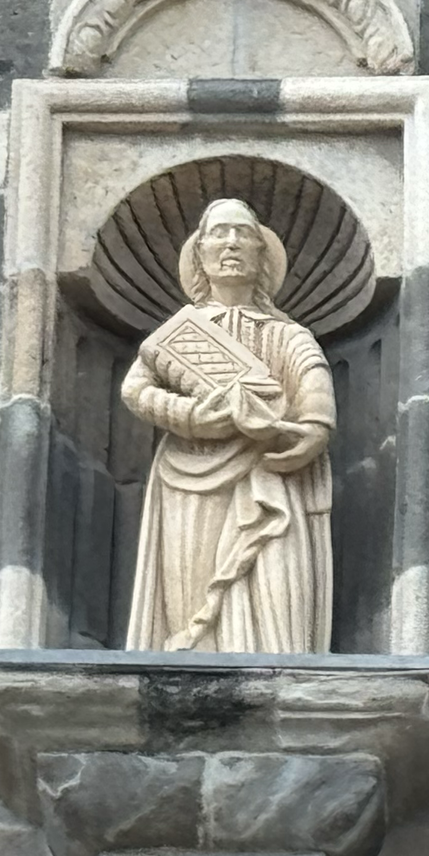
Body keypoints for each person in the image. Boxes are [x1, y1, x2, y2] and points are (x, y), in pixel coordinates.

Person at [121, 198, 336, 654]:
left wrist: (312, 431)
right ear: (200, 254)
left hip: (270, 472)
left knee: (277, 597)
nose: (231, 243)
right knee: (192, 609)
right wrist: (194, 418)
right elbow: (135, 390)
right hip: (190, 477)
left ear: (262, 255)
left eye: (243, 234)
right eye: (218, 233)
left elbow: (314, 390)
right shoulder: (177, 335)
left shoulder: (289, 335)